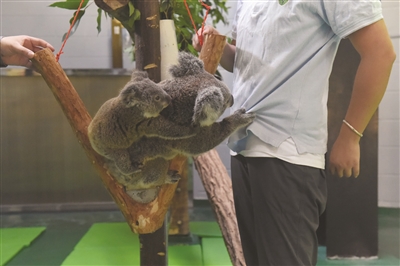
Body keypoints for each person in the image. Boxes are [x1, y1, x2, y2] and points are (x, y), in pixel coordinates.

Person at [193, 1, 395, 265]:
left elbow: (381, 54)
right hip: (243, 145)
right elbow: (245, 61)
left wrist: (351, 136)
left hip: (289, 152)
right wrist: (215, 46)